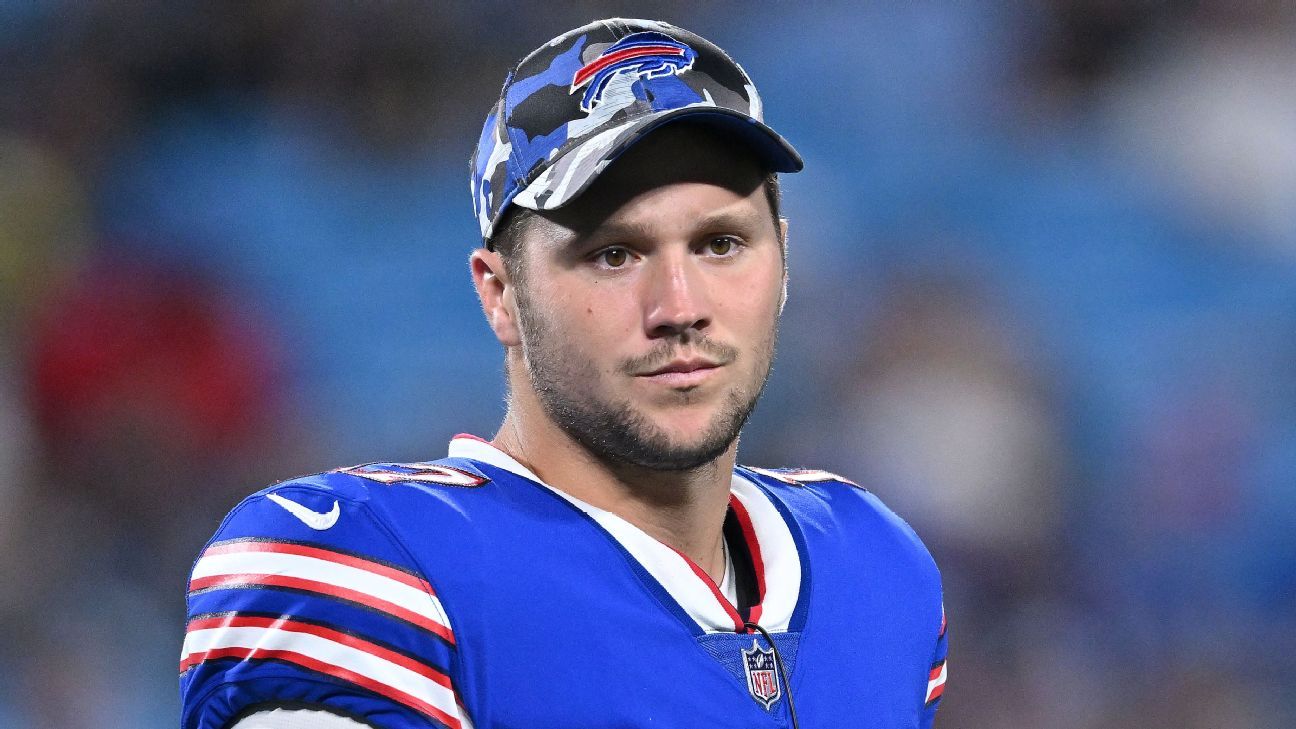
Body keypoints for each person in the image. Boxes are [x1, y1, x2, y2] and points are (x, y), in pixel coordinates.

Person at [179, 18, 947, 729]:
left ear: (783, 260)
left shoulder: (875, 566)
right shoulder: (379, 567)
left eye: (720, 244)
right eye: (614, 253)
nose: (680, 306)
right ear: (500, 294)